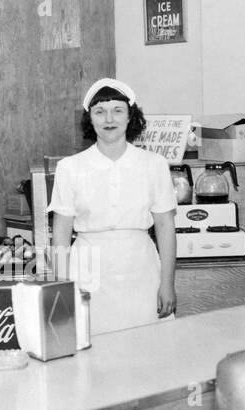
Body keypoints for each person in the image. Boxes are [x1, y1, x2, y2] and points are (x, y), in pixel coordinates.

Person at [49, 77, 177, 334]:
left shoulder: (153, 164)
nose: (109, 119)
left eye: (118, 110)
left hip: (141, 269)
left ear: (131, 117)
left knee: (148, 350)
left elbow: (165, 226)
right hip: (88, 271)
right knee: (93, 350)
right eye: (100, 111)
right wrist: (60, 290)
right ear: (90, 119)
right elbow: (61, 234)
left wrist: (167, 283)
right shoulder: (70, 167)